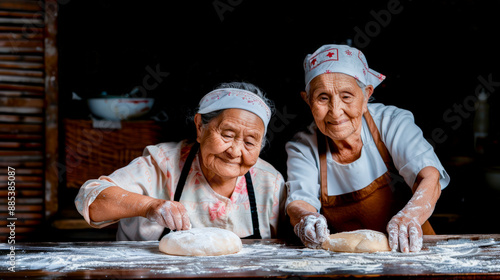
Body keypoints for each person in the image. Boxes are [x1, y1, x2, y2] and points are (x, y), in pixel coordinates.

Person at [286, 44, 450, 253]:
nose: (336, 112)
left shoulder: (391, 122)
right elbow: (299, 202)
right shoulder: (303, 147)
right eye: (323, 98)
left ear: (366, 96)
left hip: (412, 253)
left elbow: (429, 177)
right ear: (308, 100)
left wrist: (408, 217)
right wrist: (307, 219)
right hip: (347, 266)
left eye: (346, 96)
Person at [75, 82, 286, 241]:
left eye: (250, 142)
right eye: (227, 135)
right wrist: (151, 206)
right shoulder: (161, 164)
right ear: (200, 127)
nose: (235, 151)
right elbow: (90, 199)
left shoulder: (270, 183)